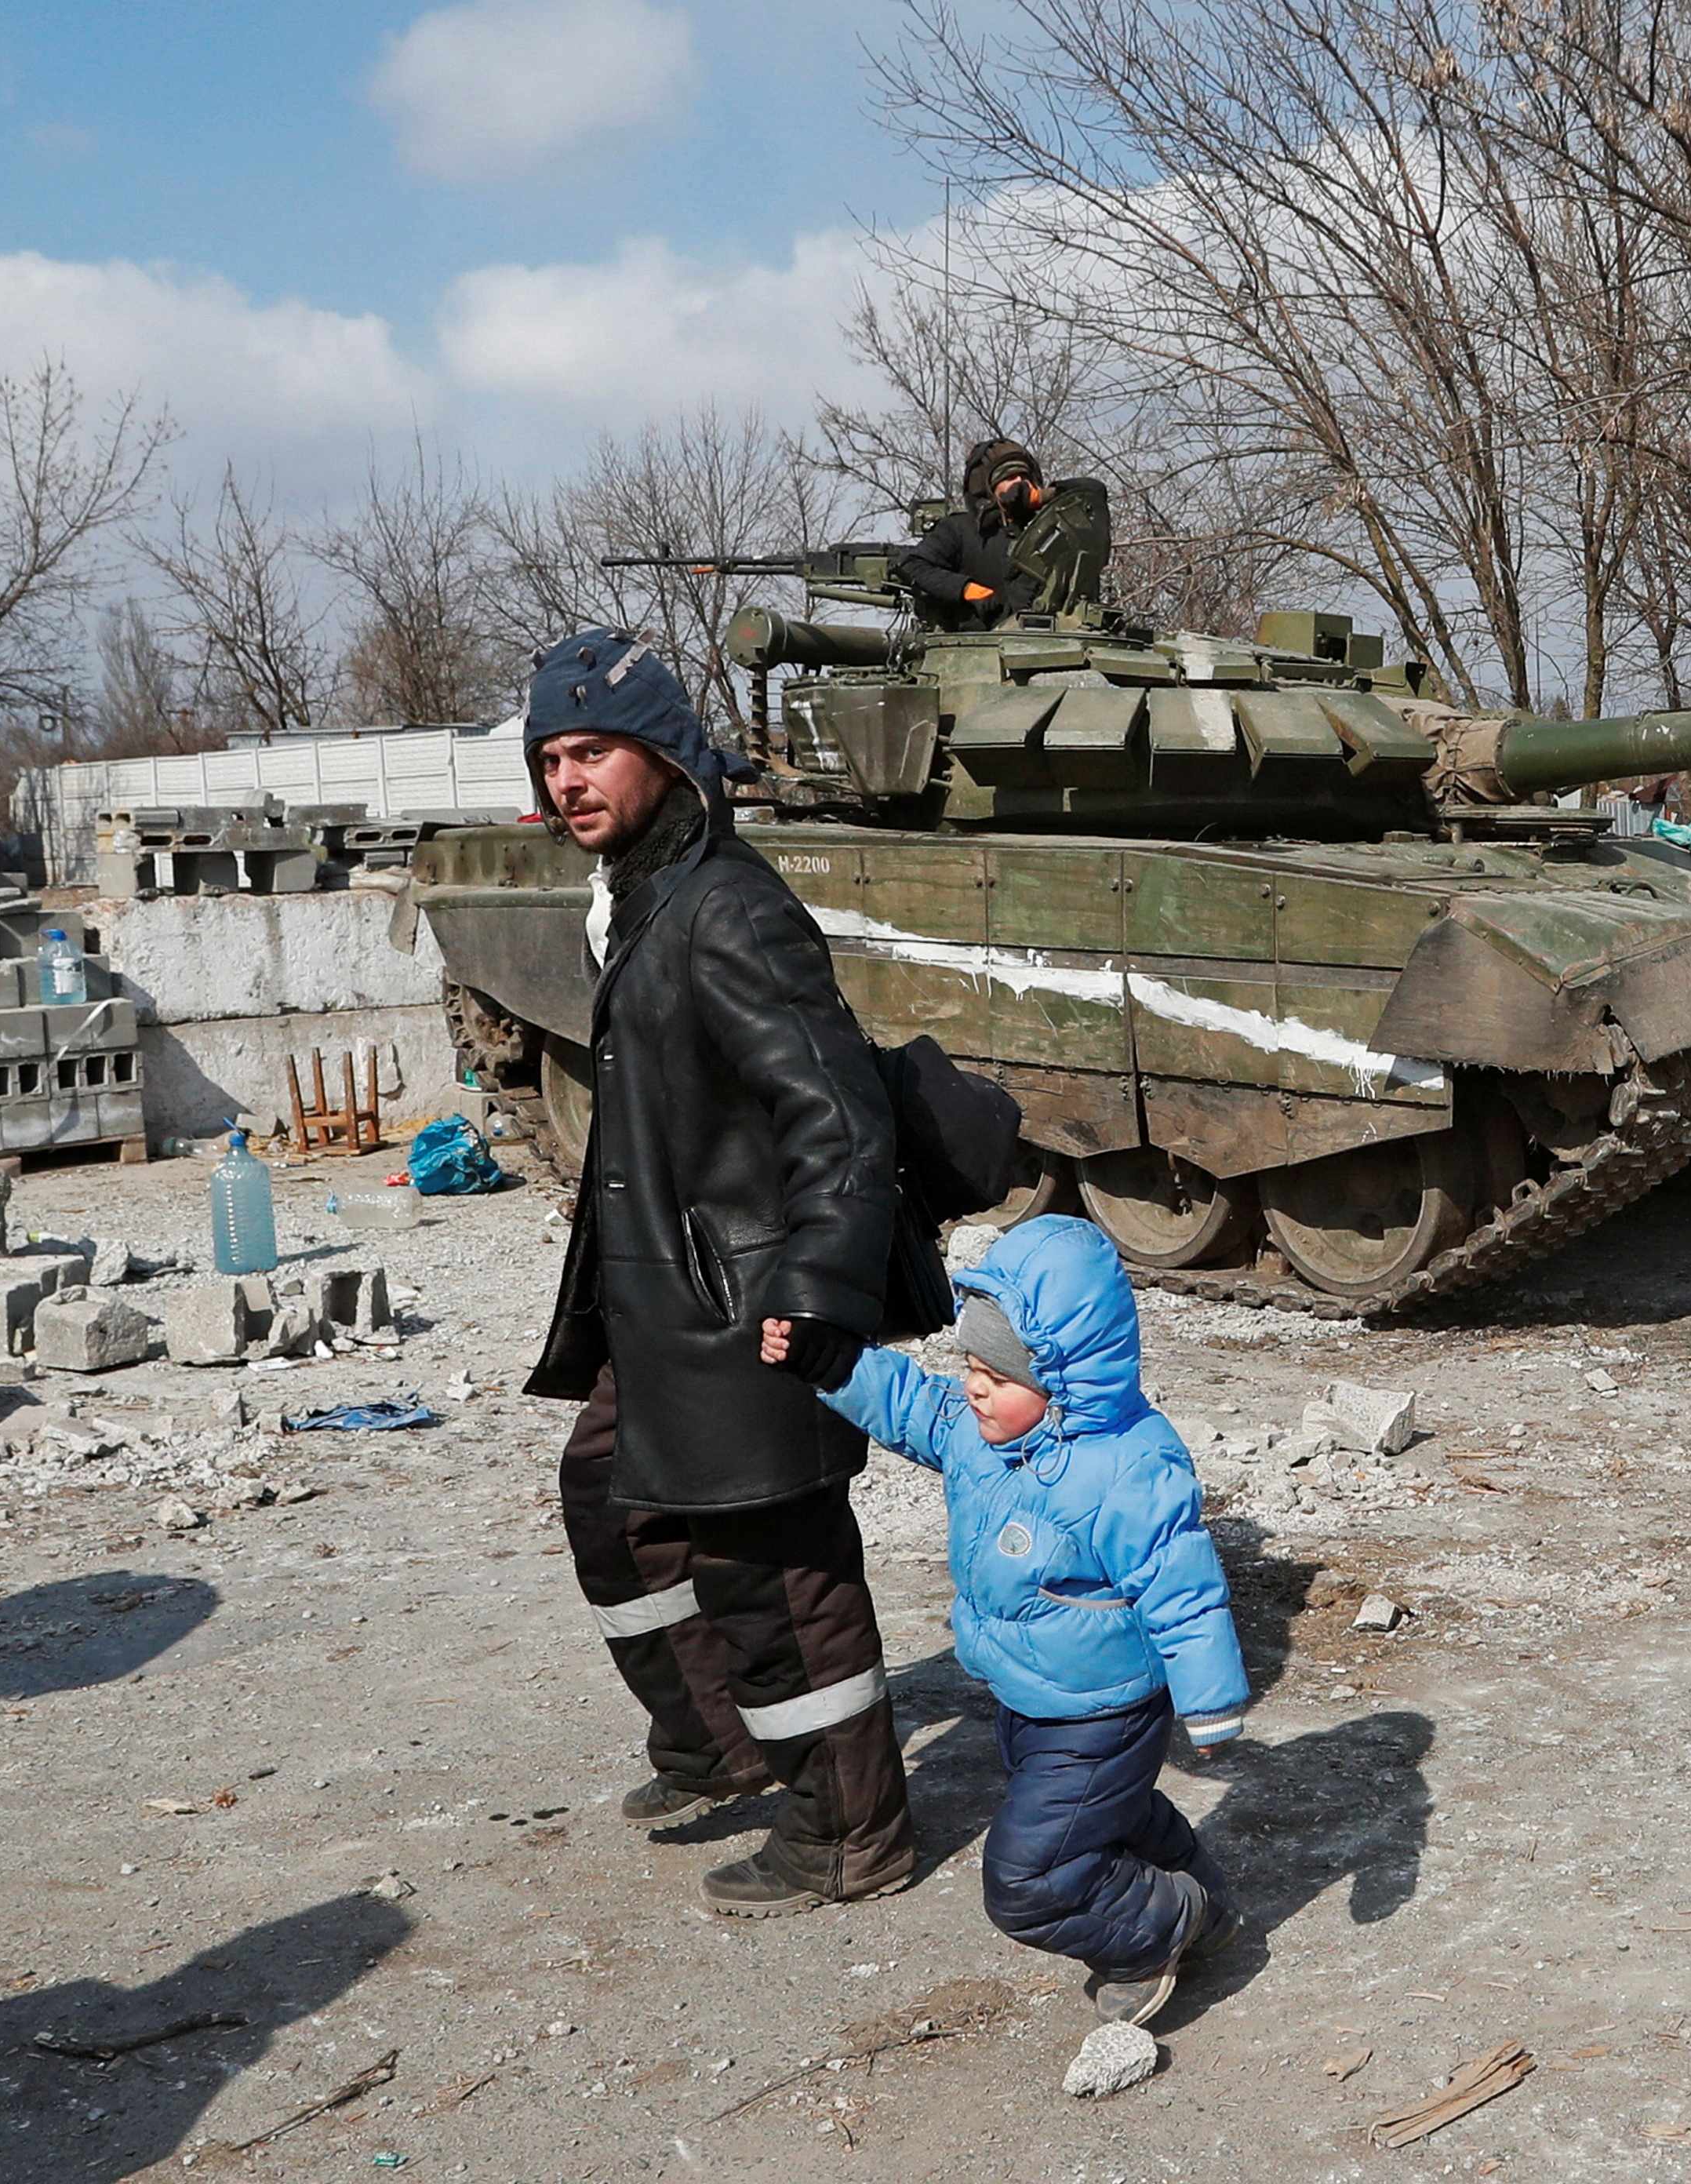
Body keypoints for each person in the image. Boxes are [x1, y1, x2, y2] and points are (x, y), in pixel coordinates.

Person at [518, 626, 918, 1916]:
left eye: (593, 751)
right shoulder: (644, 892)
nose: (568, 779)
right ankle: (717, 1737)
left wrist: (818, 1286)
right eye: (552, 758)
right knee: (610, 1496)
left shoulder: (726, 905)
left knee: (775, 1569)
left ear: (666, 755)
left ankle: (846, 1826)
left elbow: (838, 1113)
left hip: (745, 1301)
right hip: (664, 1297)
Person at [762, 1215, 1249, 2025]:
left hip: (1104, 1710)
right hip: (1026, 1698)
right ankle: (1209, 1904)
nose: (976, 1385)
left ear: (1064, 1376)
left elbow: (1181, 1581)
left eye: (1001, 1372)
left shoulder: (1128, 1464)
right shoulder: (980, 1433)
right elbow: (910, 1406)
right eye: (971, 1365)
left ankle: (1165, 1926)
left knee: (1026, 1880)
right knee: (1113, 1816)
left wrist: (1211, 1698)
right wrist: (832, 1362)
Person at [897, 437, 1049, 630]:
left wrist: (1046, 497)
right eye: (1010, 478)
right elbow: (910, 564)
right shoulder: (960, 529)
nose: (1020, 483)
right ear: (990, 487)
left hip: (1040, 645)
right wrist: (966, 589)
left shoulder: (1045, 533)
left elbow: (1093, 493)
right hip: (974, 647)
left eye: (1025, 477)